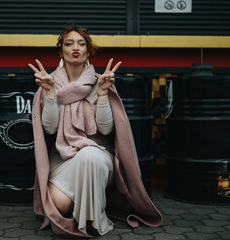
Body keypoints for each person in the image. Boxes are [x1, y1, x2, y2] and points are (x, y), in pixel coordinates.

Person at [29, 23, 162, 238]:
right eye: (69, 43)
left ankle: (91, 221)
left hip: (98, 154)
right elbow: (50, 128)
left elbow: (107, 129)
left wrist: (101, 94)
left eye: (81, 43)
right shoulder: (48, 83)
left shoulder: (102, 81)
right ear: (61, 50)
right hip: (63, 156)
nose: (75, 47)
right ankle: (88, 201)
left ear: (88, 51)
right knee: (58, 207)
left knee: (89, 155)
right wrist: (51, 93)